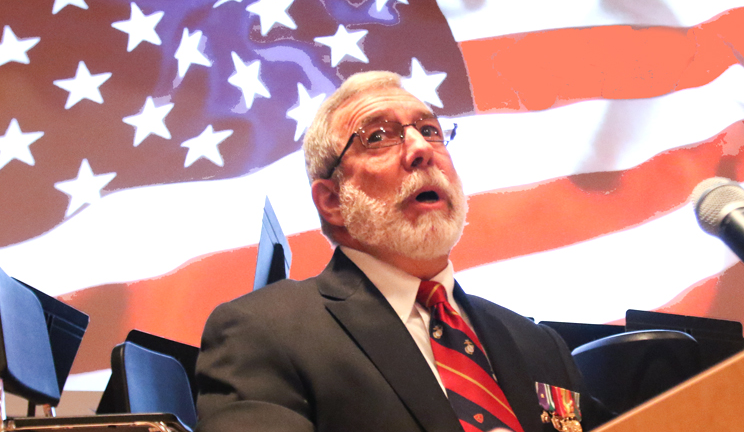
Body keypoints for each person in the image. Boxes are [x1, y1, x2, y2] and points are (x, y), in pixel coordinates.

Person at [194, 71, 611, 432]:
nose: (421, 150)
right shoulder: (262, 332)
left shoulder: (537, 344)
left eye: (429, 130)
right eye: (378, 137)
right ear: (333, 201)